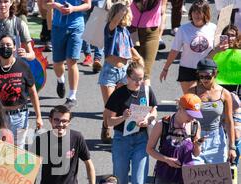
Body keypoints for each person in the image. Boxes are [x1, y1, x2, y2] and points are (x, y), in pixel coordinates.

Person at [103, 61, 158, 184]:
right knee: (120, 181)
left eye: (141, 78)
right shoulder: (118, 94)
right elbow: (108, 121)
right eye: (136, 79)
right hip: (122, 140)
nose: (139, 82)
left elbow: (154, 110)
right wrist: (122, 117)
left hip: (141, 140)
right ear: (128, 78)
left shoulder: (146, 91)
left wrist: (148, 119)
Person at [0, 34, 43, 148]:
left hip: (20, 117)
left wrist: (38, 116)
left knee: (17, 150)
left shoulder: (23, 66)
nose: (5, 47)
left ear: (14, 47)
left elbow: (33, 92)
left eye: (9, 45)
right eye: (2, 45)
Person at [98, 2, 143, 144]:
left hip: (124, 72)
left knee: (123, 104)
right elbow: (116, 19)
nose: (131, 18)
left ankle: (120, 135)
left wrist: (139, 58)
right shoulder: (111, 29)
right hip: (110, 72)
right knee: (111, 105)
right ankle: (105, 126)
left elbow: (130, 49)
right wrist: (126, 6)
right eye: (129, 15)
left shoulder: (126, 32)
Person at [160, 0, 216, 94]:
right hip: (187, 69)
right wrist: (165, 69)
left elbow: (218, 49)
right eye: (194, 12)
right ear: (191, 13)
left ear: (205, 14)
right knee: (190, 101)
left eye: (200, 13)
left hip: (206, 70)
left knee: (205, 100)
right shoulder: (183, 29)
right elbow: (174, 50)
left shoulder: (213, 28)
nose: (196, 15)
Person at [46, 0, 91, 108]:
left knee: (72, 60)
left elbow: (88, 5)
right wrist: (57, 6)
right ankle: (60, 81)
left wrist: (73, 9)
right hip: (57, 27)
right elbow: (44, 4)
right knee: (57, 62)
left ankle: (72, 97)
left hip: (76, 26)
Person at [129, 0, 167, 85]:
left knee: (145, 73)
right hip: (130, 30)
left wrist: (160, 32)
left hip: (151, 33)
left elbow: (163, 11)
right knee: (128, 71)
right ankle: (127, 97)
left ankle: (145, 97)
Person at [208, 24, 241, 93]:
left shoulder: (239, 50)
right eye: (227, 35)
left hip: (237, 84)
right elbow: (205, 61)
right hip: (219, 85)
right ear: (222, 36)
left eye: (232, 35)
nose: (229, 38)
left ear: (237, 37)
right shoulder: (216, 49)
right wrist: (216, 50)